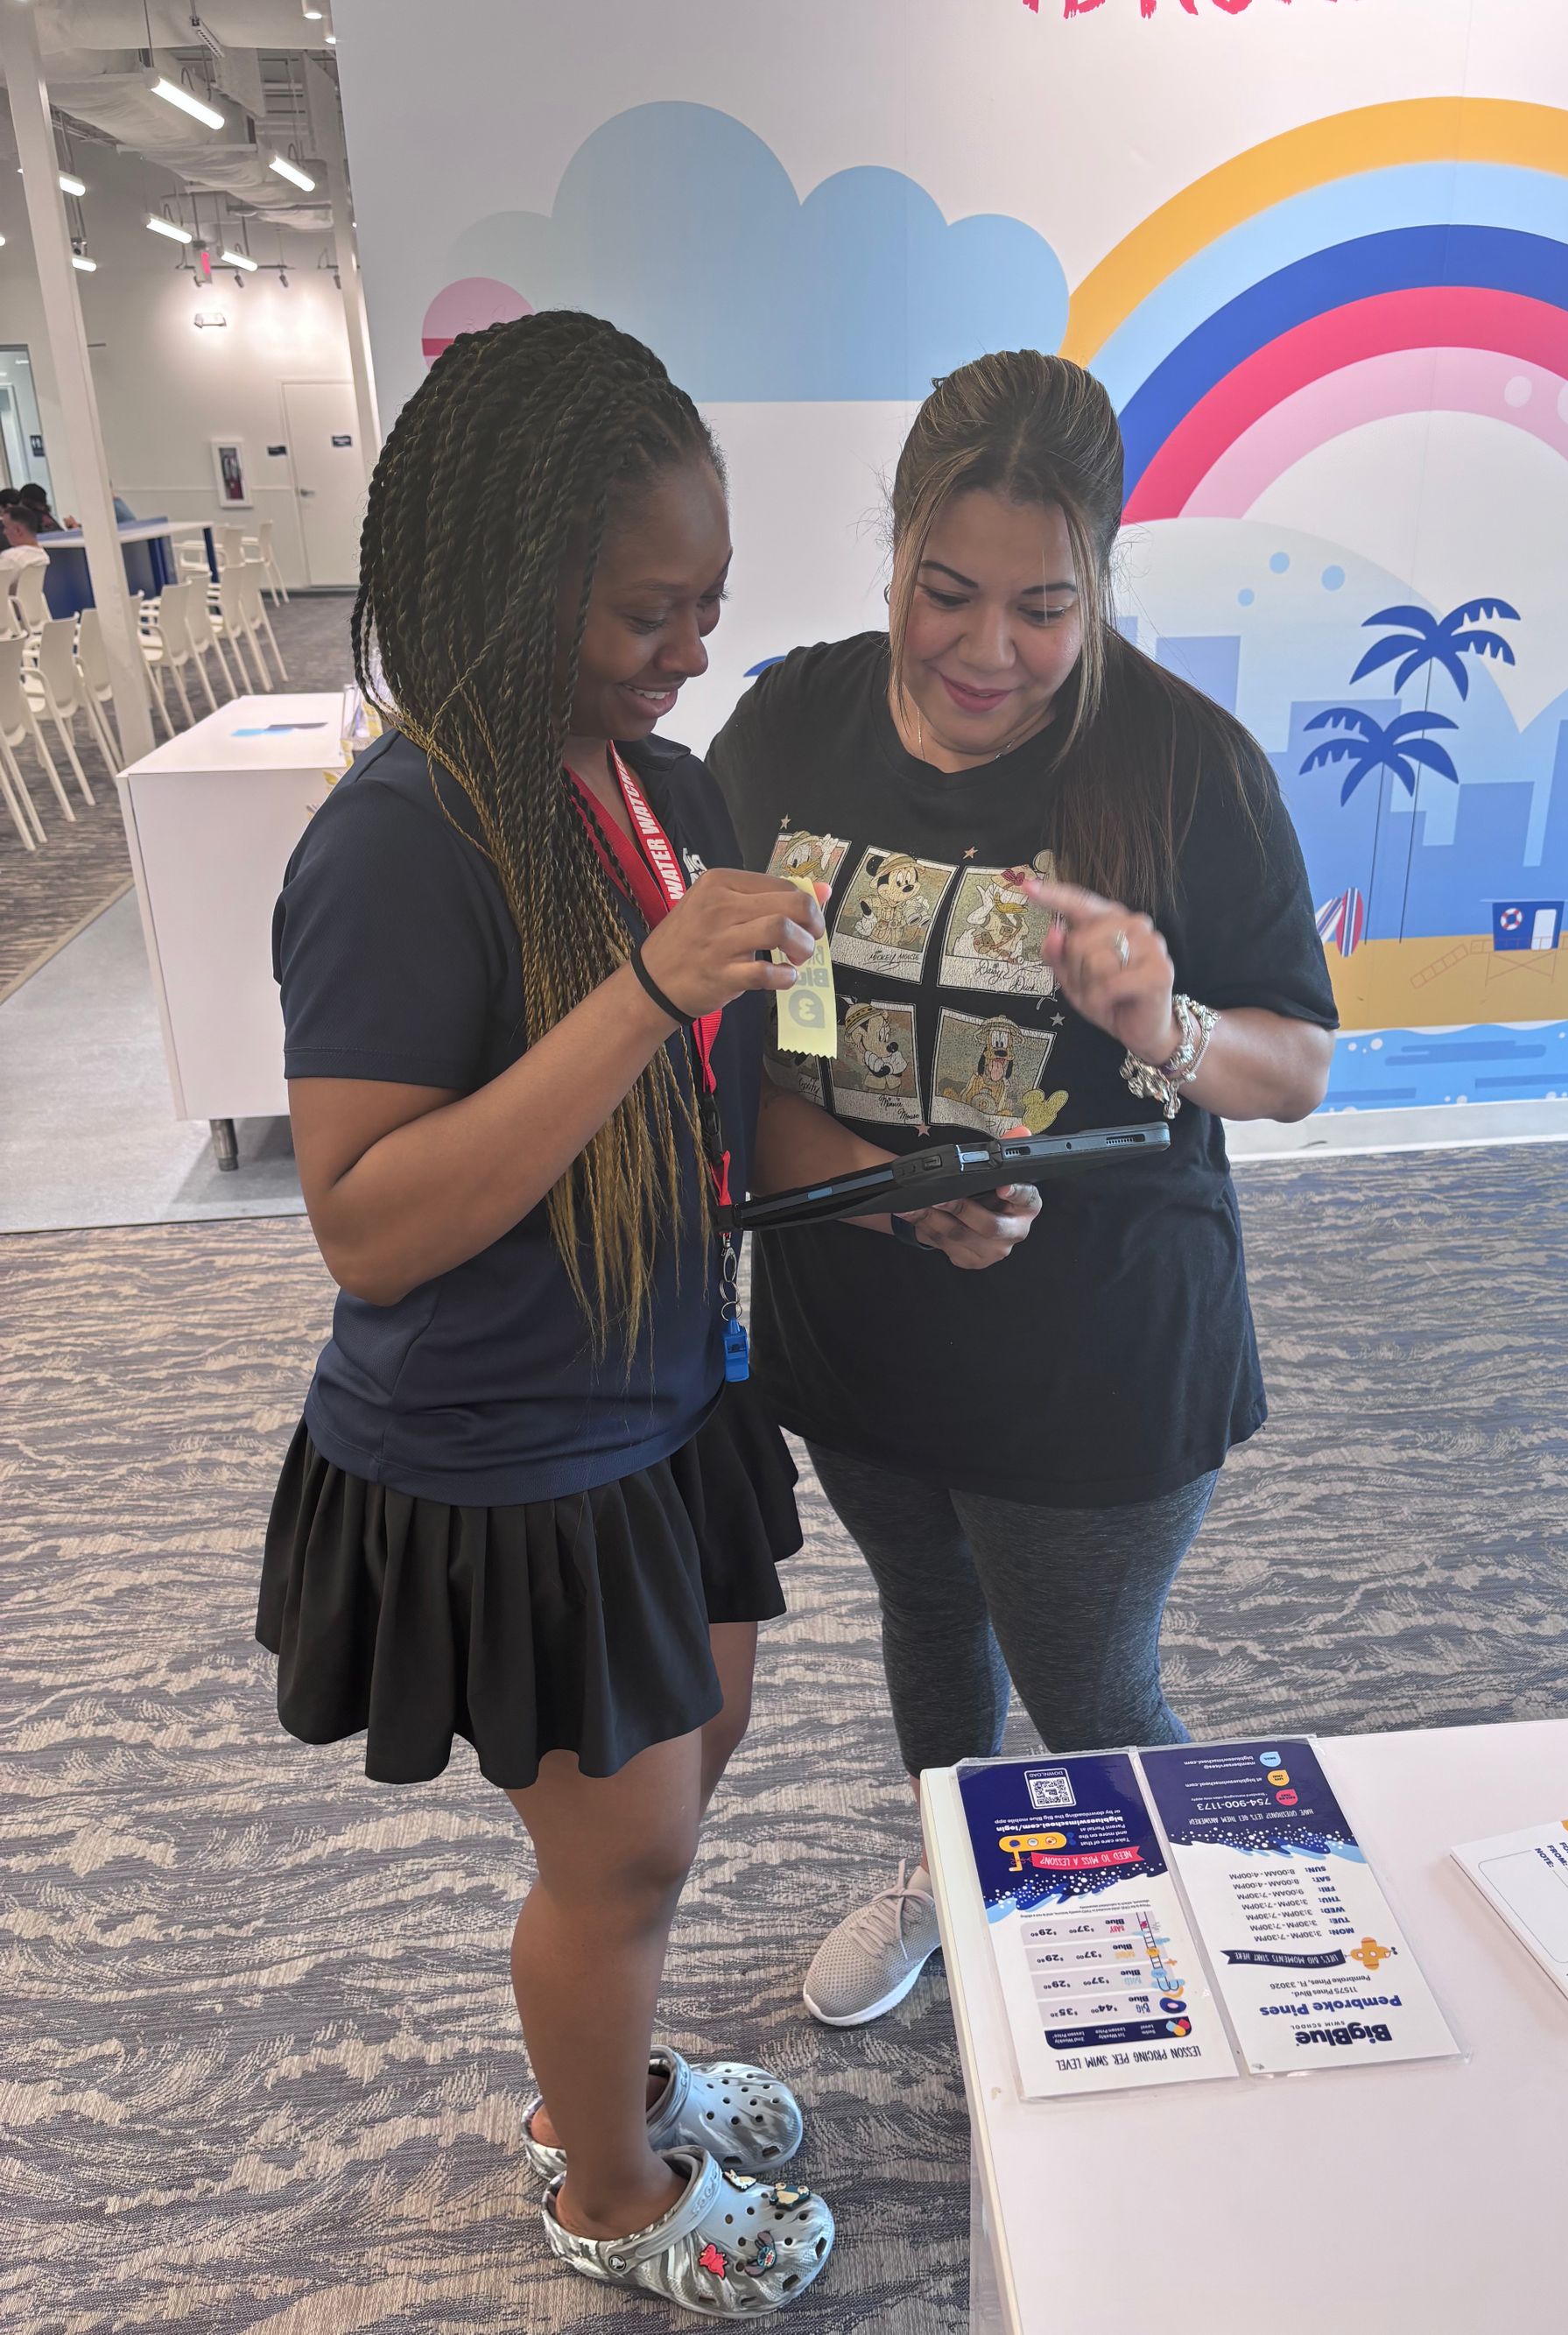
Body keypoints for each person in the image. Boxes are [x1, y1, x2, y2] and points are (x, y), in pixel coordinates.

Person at [257, 312, 1030, 2316]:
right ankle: (604, 2183)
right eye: (639, 612)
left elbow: (723, 1106)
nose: (684, 650)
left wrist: (895, 1195)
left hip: (674, 1402)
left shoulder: (654, 784)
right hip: (508, 1449)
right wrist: (648, 988)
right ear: (504, 590)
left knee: (676, 1803)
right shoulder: (398, 844)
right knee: (612, 1863)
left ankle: (604, 2082)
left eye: (705, 605)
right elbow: (366, 1220)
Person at [709, 349, 1338, 2028]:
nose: (988, 651)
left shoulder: (1187, 766)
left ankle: (1217, 1958)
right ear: (895, 549)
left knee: (1088, 1682)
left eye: (1044, 607)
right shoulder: (787, 722)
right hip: (856, 1321)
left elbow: (1295, 1070)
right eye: (947, 592)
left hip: (1102, 1355)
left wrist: (1168, 1018)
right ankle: (964, 1867)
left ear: (1105, 579)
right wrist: (890, 1194)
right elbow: (738, 1052)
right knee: (928, 1614)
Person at [0, 502, 49, 624]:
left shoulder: (12, 558)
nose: (4, 532)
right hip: (29, 619)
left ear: (17, 530)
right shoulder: (42, 556)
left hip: (8, 620)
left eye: (6, 527)